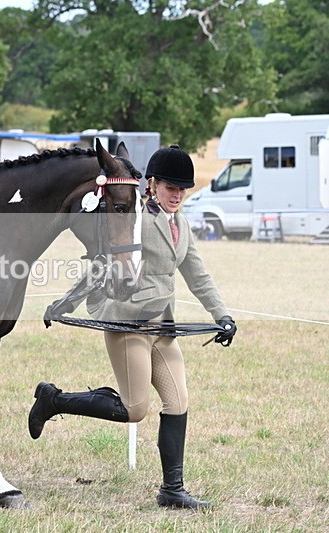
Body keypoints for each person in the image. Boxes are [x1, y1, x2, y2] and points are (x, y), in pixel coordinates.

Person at [29, 145, 237, 509]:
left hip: (163, 328)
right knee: (135, 408)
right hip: (127, 322)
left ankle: (172, 490)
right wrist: (64, 304)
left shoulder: (180, 225)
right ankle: (53, 400)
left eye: (183, 188)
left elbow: (198, 275)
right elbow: (101, 264)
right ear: (152, 185)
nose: (177, 195)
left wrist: (222, 315)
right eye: (170, 187)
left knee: (177, 403)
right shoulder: (132, 216)